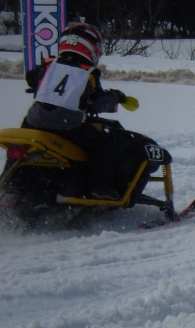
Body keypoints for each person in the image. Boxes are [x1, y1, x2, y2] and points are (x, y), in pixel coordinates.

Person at [23, 22, 128, 199]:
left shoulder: (49, 65)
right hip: (66, 125)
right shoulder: (86, 72)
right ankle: (99, 187)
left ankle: (7, 181)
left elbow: (31, 79)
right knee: (103, 144)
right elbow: (96, 103)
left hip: (34, 121)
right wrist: (116, 97)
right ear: (91, 46)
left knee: (22, 147)